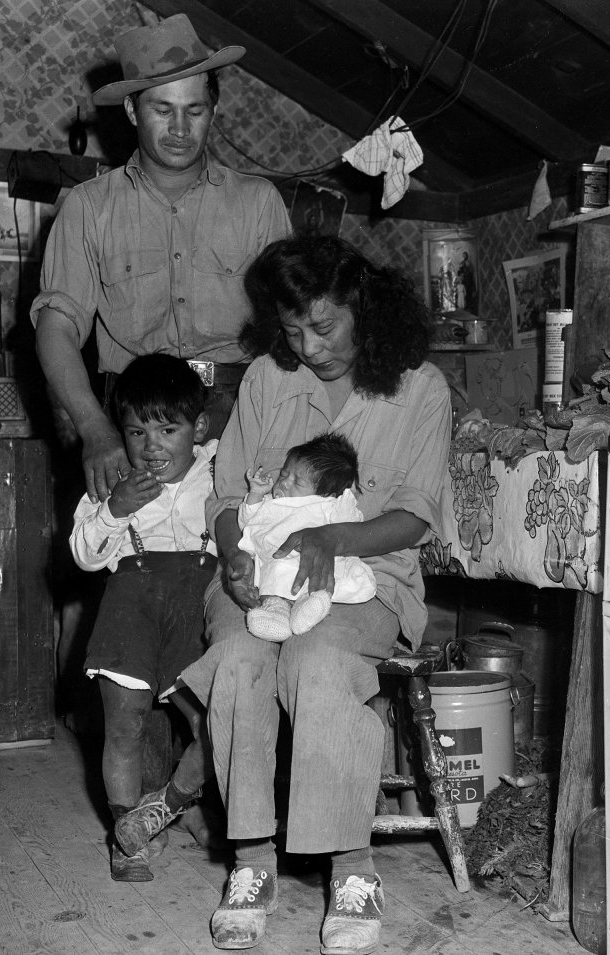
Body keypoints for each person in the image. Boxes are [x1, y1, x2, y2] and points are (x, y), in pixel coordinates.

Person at [113, 234, 450, 953]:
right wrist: (235, 552)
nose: (309, 343)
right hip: (256, 574)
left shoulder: (420, 388)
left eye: (324, 325)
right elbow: (227, 492)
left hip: (367, 576)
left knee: (318, 662)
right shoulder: (268, 377)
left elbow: (417, 512)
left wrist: (333, 542)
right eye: (292, 328)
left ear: (364, 307)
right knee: (238, 659)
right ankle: (251, 861)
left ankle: (352, 867)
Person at [31, 13, 292, 505]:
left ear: (214, 109)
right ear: (131, 111)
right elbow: (58, 326)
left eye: (194, 110)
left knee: (238, 565)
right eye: (162, 110)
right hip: (132, 421)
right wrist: (93, 427)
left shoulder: (259, 203)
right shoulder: (88, 207)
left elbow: (290, 331)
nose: (179, 128)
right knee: (134, 561)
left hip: (238, 411)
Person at [68, 354, 218, 883]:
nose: (151, 447)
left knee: (211, 723)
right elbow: (84, 554)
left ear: (198, 428)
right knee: (124, 724)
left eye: (167, 430)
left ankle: (172, 805)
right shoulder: (112, 479)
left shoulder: (220, 469)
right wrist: (115, 509)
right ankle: (125, 835)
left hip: (195, 610)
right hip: (130, 608)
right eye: (136, 432)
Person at [240, 432, 377, 642]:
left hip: (311, 563)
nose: (284, 483)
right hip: (276, 561)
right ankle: (275, 611)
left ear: (326, 493)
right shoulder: (271, 503)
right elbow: (250, 523)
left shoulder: (326, 505)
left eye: (297, 482)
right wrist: (256, 494)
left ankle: (309, 604)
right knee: (273, 577)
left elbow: (350, 520)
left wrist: (346, 495)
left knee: (317, 579)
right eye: (284, 475)